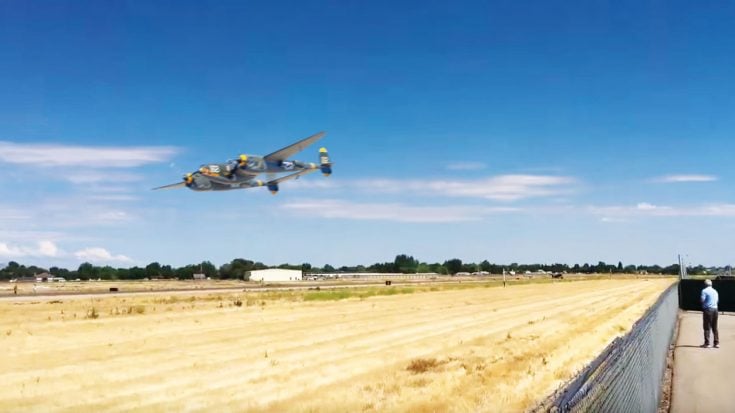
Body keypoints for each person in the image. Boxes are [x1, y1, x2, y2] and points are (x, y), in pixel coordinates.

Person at [701, 279, 719, 348]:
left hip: (708, 310)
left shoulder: (704, 291)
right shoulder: (715, 291)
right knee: (715, 327)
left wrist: (704, 304)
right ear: (711, 284)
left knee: (706, 327)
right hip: (715, 309)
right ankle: (716, 343)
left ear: (705, 284)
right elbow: (717, 301)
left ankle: (707, 343)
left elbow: (702, 300)